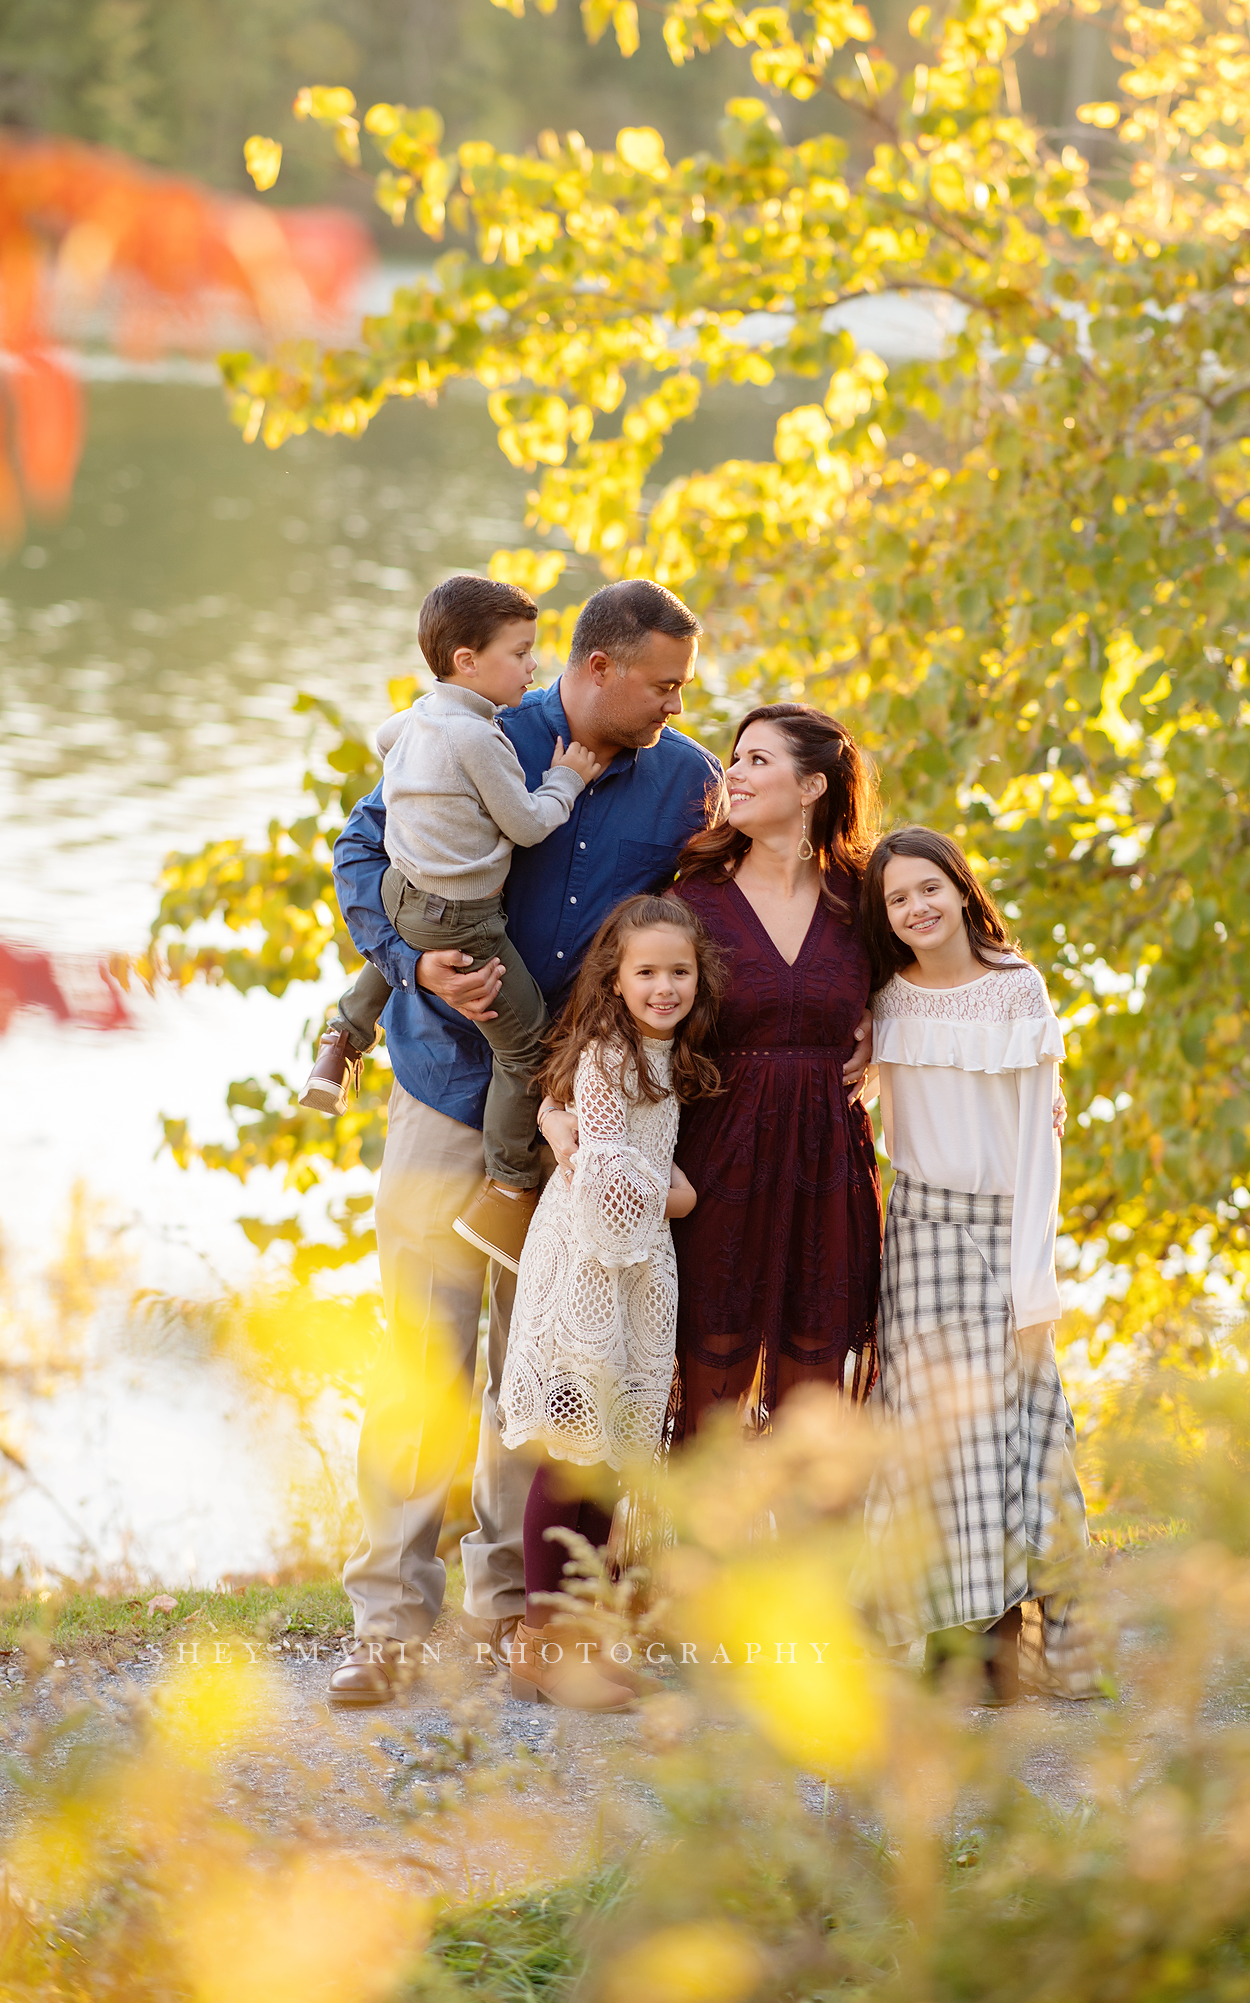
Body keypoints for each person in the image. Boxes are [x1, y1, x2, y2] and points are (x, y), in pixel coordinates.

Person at [324, 579, 720, 1707]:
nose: (673, 705)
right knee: (426, 1360)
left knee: (537, 1373)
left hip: (584, 1122)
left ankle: (511, 1617)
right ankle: (391, 1622)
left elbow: (726, 917)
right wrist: (409, 966)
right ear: (598, 669)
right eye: (662, 684)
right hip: (449, 1094)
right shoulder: (472, 728)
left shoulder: (686, 781)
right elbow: (361, 852)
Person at [298, 574, 602, 1261]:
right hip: (465, 920)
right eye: (520, 653)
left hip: (402, 893)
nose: (532, 667)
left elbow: (383, 736)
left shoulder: (422, 716)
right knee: (525, 1048)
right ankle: (507, 1190)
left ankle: (341, 1039)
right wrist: (569, 777)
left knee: (406, 931)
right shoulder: (479, 737)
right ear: (467, 660)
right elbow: (526, 825)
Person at [858, 826, 1091, 1704]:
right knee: (931, 1443)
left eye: (929, 889)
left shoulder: (1016, 991)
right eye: (896, 900)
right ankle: (951, 1648)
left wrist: (1035, 1286)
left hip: (1002, 1234)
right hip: (917, 1237)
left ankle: (1018, 1650)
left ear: (960, 890)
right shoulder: (885, 999)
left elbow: (1040, 1149)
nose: (916, 909)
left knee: (1024, 1439)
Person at [501, 894, 724, 1709]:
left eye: (679, 972)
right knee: (571, 1458)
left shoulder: (668, 1050)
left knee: (604, 1465)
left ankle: (577, 1642)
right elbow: (599, 1166)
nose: (664, 987)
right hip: (588, 1267)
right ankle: (543, 1642)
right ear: (616, 979)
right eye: (647, 973)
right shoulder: (606, 1052)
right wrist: (680, 1197)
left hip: (631, 1271)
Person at [668, 704, 883, 1436]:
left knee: (813, 1399)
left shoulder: (866, 899)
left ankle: (808, 1555)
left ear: (814, 786)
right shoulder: (692, 894)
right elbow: (634, 1016)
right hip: (719, 1166)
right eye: (737, 758)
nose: (734, 773)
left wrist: (884, 1030)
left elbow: (948, 973)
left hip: (828, 1168)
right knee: (712, 1391)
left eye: (759, 760)